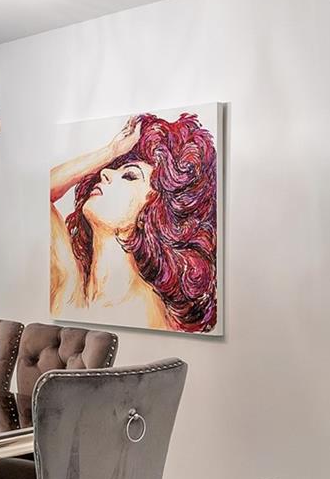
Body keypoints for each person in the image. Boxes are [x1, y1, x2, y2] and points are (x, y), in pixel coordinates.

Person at [50, 111, 218, 333]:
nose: (105, 173)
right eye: (112, 168)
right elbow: (44, 191)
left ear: (154, 212)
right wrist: (111, 151)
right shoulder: (73, 284)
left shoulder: (145, 311)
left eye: (130, 176)